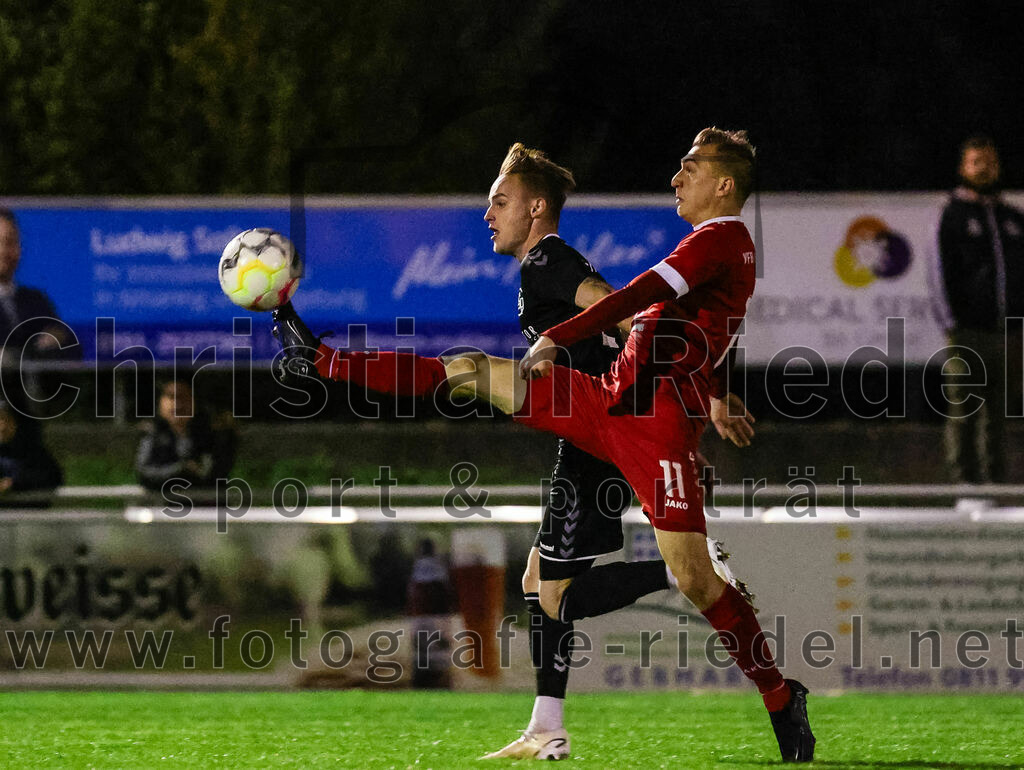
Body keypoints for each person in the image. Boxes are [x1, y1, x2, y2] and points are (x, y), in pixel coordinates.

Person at [273, 127, 814, 763]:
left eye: (689, 168)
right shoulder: (708, 243)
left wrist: (560, 336)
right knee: (472, 371)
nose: (676, 178)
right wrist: (716, 388)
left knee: (693, 582)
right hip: (606, 396)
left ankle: (780, 697)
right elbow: (671, 326)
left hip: (652, 420)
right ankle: (324, 361)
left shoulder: (719, 237)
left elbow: (635, 301)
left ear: (724, 184)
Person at [935, 136, 1024, 483]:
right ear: (963, 168)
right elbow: (937, 270)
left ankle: (998, 484)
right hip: (967, 331)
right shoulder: (952, 214)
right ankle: (965, 485)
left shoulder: (1012, 217)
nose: (984, 168)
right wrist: (951, 323)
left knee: (1000, 413)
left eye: (989, 161)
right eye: (976, 162)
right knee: (965, 407)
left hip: (1009, 333)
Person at [0, 208, 78, 359]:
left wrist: (55, 339)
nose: (3, 251)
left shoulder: (35, 301)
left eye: (10, 242)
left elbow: (71, 348)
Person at [136, 381, 237, 492]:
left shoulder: (209, 434)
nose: (177, 404)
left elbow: (216, 474)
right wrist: (180, 469)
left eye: (183, 397)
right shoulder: (152, 433)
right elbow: (144, 473)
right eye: (171, 397)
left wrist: (226, 436)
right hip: (163, 505)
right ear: (160, 403)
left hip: (204, 505)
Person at [0, 398, 63, 503]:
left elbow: (53, 477)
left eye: (7, 420)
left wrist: (13, 483)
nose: (2, 427)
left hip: (29, 514)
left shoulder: (33, 452)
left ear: (16, 424)